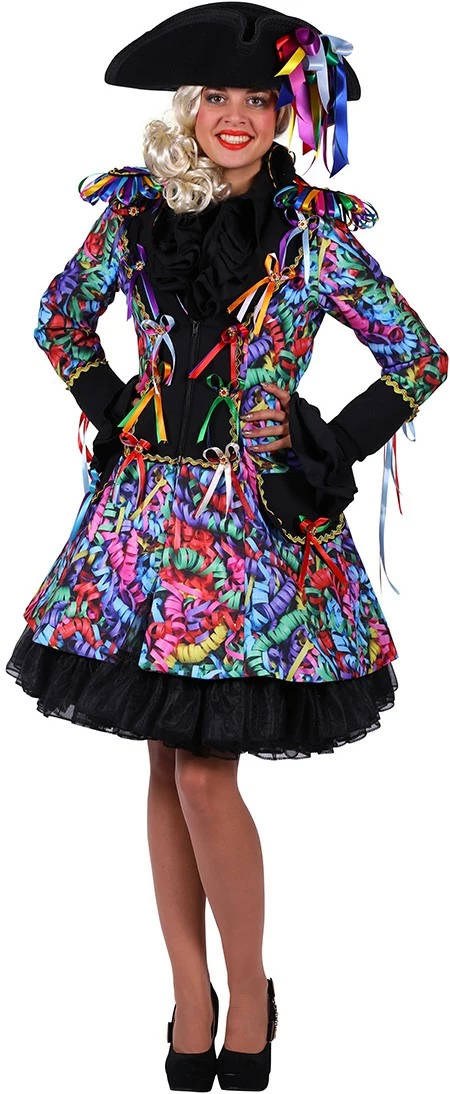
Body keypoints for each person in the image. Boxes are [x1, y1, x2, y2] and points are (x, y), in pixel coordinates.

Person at [5, 4, 448, 1091]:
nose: (236, 116)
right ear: (189, 108)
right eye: (217, 97)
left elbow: (417, 356)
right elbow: (60, 320)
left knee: (207, 772)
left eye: (258, 99)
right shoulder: (133, 218)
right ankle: (188, 991)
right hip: (143, 527)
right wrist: (120, 410)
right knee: (167, 761)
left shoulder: (311, 237)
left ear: (283, 117)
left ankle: (248, 990)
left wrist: (326, 447)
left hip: (254, 535)